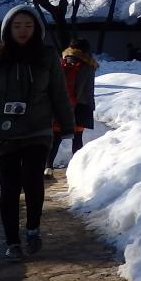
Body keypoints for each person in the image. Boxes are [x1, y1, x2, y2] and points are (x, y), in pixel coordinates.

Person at [0, 5, 75, 261]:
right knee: (9, 188)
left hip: (37, 130)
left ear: (37, 29)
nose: (23, 30)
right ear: (8, 29)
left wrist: (68, 125)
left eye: (28, 26)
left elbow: (59, 92)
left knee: (32, 181)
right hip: (3, 132)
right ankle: (12, 242)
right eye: (17, 25)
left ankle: (32, 229)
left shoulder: (47, 56)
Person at [45, 38, 97, 179]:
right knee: (77, 137)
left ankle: (48, 167)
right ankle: (78, 168)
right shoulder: (88, 66)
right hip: (81, 107)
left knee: (56, 138)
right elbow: (89, 90)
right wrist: (91, 106)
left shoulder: (60, 63)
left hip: (61, 106)